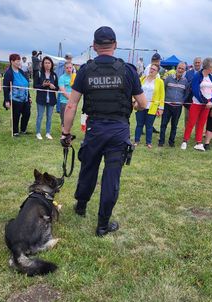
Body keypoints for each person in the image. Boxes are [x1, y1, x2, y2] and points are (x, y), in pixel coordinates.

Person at [60, 26, 147, 236]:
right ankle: (102, 225)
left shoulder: (85, 71)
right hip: (118, 131)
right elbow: (143, 104)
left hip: (95, 129)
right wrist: (133, 106)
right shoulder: (128, 71)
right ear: (115, 45)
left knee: (88, 168)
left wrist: (66, 132)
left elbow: (71, 105)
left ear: (95, 46)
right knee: (111, 177)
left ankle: (81, 206)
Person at [181, 57, 212, 151]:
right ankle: (185, 141)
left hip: (207, 105)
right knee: (191, 122)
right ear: (208, 66)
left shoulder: (211, 77)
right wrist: (205, 101)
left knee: (201, 123)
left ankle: (199, 142)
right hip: (197, 103)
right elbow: (195, 90)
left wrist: (211, 101)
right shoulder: (197, 75)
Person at [158, 62, 189, 147]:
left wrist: (182, 100)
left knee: (174, 125)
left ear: (184, 70)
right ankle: (161, 141)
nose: (180, 70)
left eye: (182, 69)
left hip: (178, 107)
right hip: (167, 105)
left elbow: (186, 93)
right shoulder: (168, 78)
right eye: (179, 68)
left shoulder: (185, 81)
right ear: (176, 68)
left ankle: (171, 142)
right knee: (164, 124)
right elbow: (163, 90)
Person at [134, 64, 164, 148]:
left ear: (157, 72)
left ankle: (148, 142)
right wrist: (135, 101)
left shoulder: (160, 82)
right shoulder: (142, 79)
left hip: (152, 107)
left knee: (149, 125)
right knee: (139, 124)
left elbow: (162, 96)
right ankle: (136, 141)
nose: (151, 70)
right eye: (151, 68)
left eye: (154, 69)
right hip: (140, 106)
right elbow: (135, 91)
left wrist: (161, 108)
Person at [3, 54, 32, 136]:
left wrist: (29, 96)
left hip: (25, 98)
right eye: (17, 61)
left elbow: (26, 85)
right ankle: (15, 131)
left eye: (19, 61)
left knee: (27, 113)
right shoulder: (8, 73)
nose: (19, 62)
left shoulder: (21, 71)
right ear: (12, 61)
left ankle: (23, 130)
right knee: (16, 115)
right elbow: (6, 88)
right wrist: (7, 100)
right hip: (15, 99)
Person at [34, 56, 59, 140]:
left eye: (49, 63)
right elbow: (34, 86)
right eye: (45, 63)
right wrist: (43, 85)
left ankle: (48, 132)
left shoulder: (54, 75)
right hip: (41, 99)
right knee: (40, 116)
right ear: (43, 64)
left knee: (49, 117)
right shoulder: (39, 73)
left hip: (51, 99)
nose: (47, 64)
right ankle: (38, 132)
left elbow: (57, 88)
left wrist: (53, 87)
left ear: (51, 64)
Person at [184, 57, 202, 125]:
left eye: (198, 62)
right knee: (187, 118)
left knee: (198, 119)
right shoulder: (188, 73)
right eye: (196, 62)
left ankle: (197, 134)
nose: (197, 64)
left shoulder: (204, 73)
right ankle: (186, 134)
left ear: (201, 63)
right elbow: (185, 84)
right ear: (193, 63)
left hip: (199, 100)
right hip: (189, 99)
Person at [58, 62, 76, 130]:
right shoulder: (62, 78)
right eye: (67, 68)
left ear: (72, 68)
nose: (69, 69)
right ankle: (64, 133)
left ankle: (68, 132)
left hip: (73, 102)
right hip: (64, 102)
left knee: (71, 119)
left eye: (70, 67)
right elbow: (63, 91)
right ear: (64, 68)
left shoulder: (75, 77)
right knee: (64, 119)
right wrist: (72, 99)